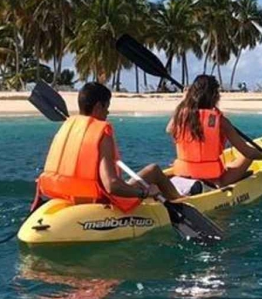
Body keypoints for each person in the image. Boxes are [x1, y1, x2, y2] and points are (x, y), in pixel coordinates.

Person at [35, 81, 185, 212]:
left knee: (148, 176)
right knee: (154, 171)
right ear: (99, 106)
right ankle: (184, 201)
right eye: (107, 107)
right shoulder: (101, 132)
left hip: (67, 194)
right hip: (99, 200)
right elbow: (112, 186)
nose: (108, 112)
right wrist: (144, 193)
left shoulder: (68, 127)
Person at [167, 74, 262, 190]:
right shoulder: (221, 122)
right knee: (251, 153)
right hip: (214, 181)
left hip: (184, 173)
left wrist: (184, 100)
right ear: (214, 96)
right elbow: (248, 153)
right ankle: (241, 176)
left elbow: (169, 129)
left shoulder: (181, 116)